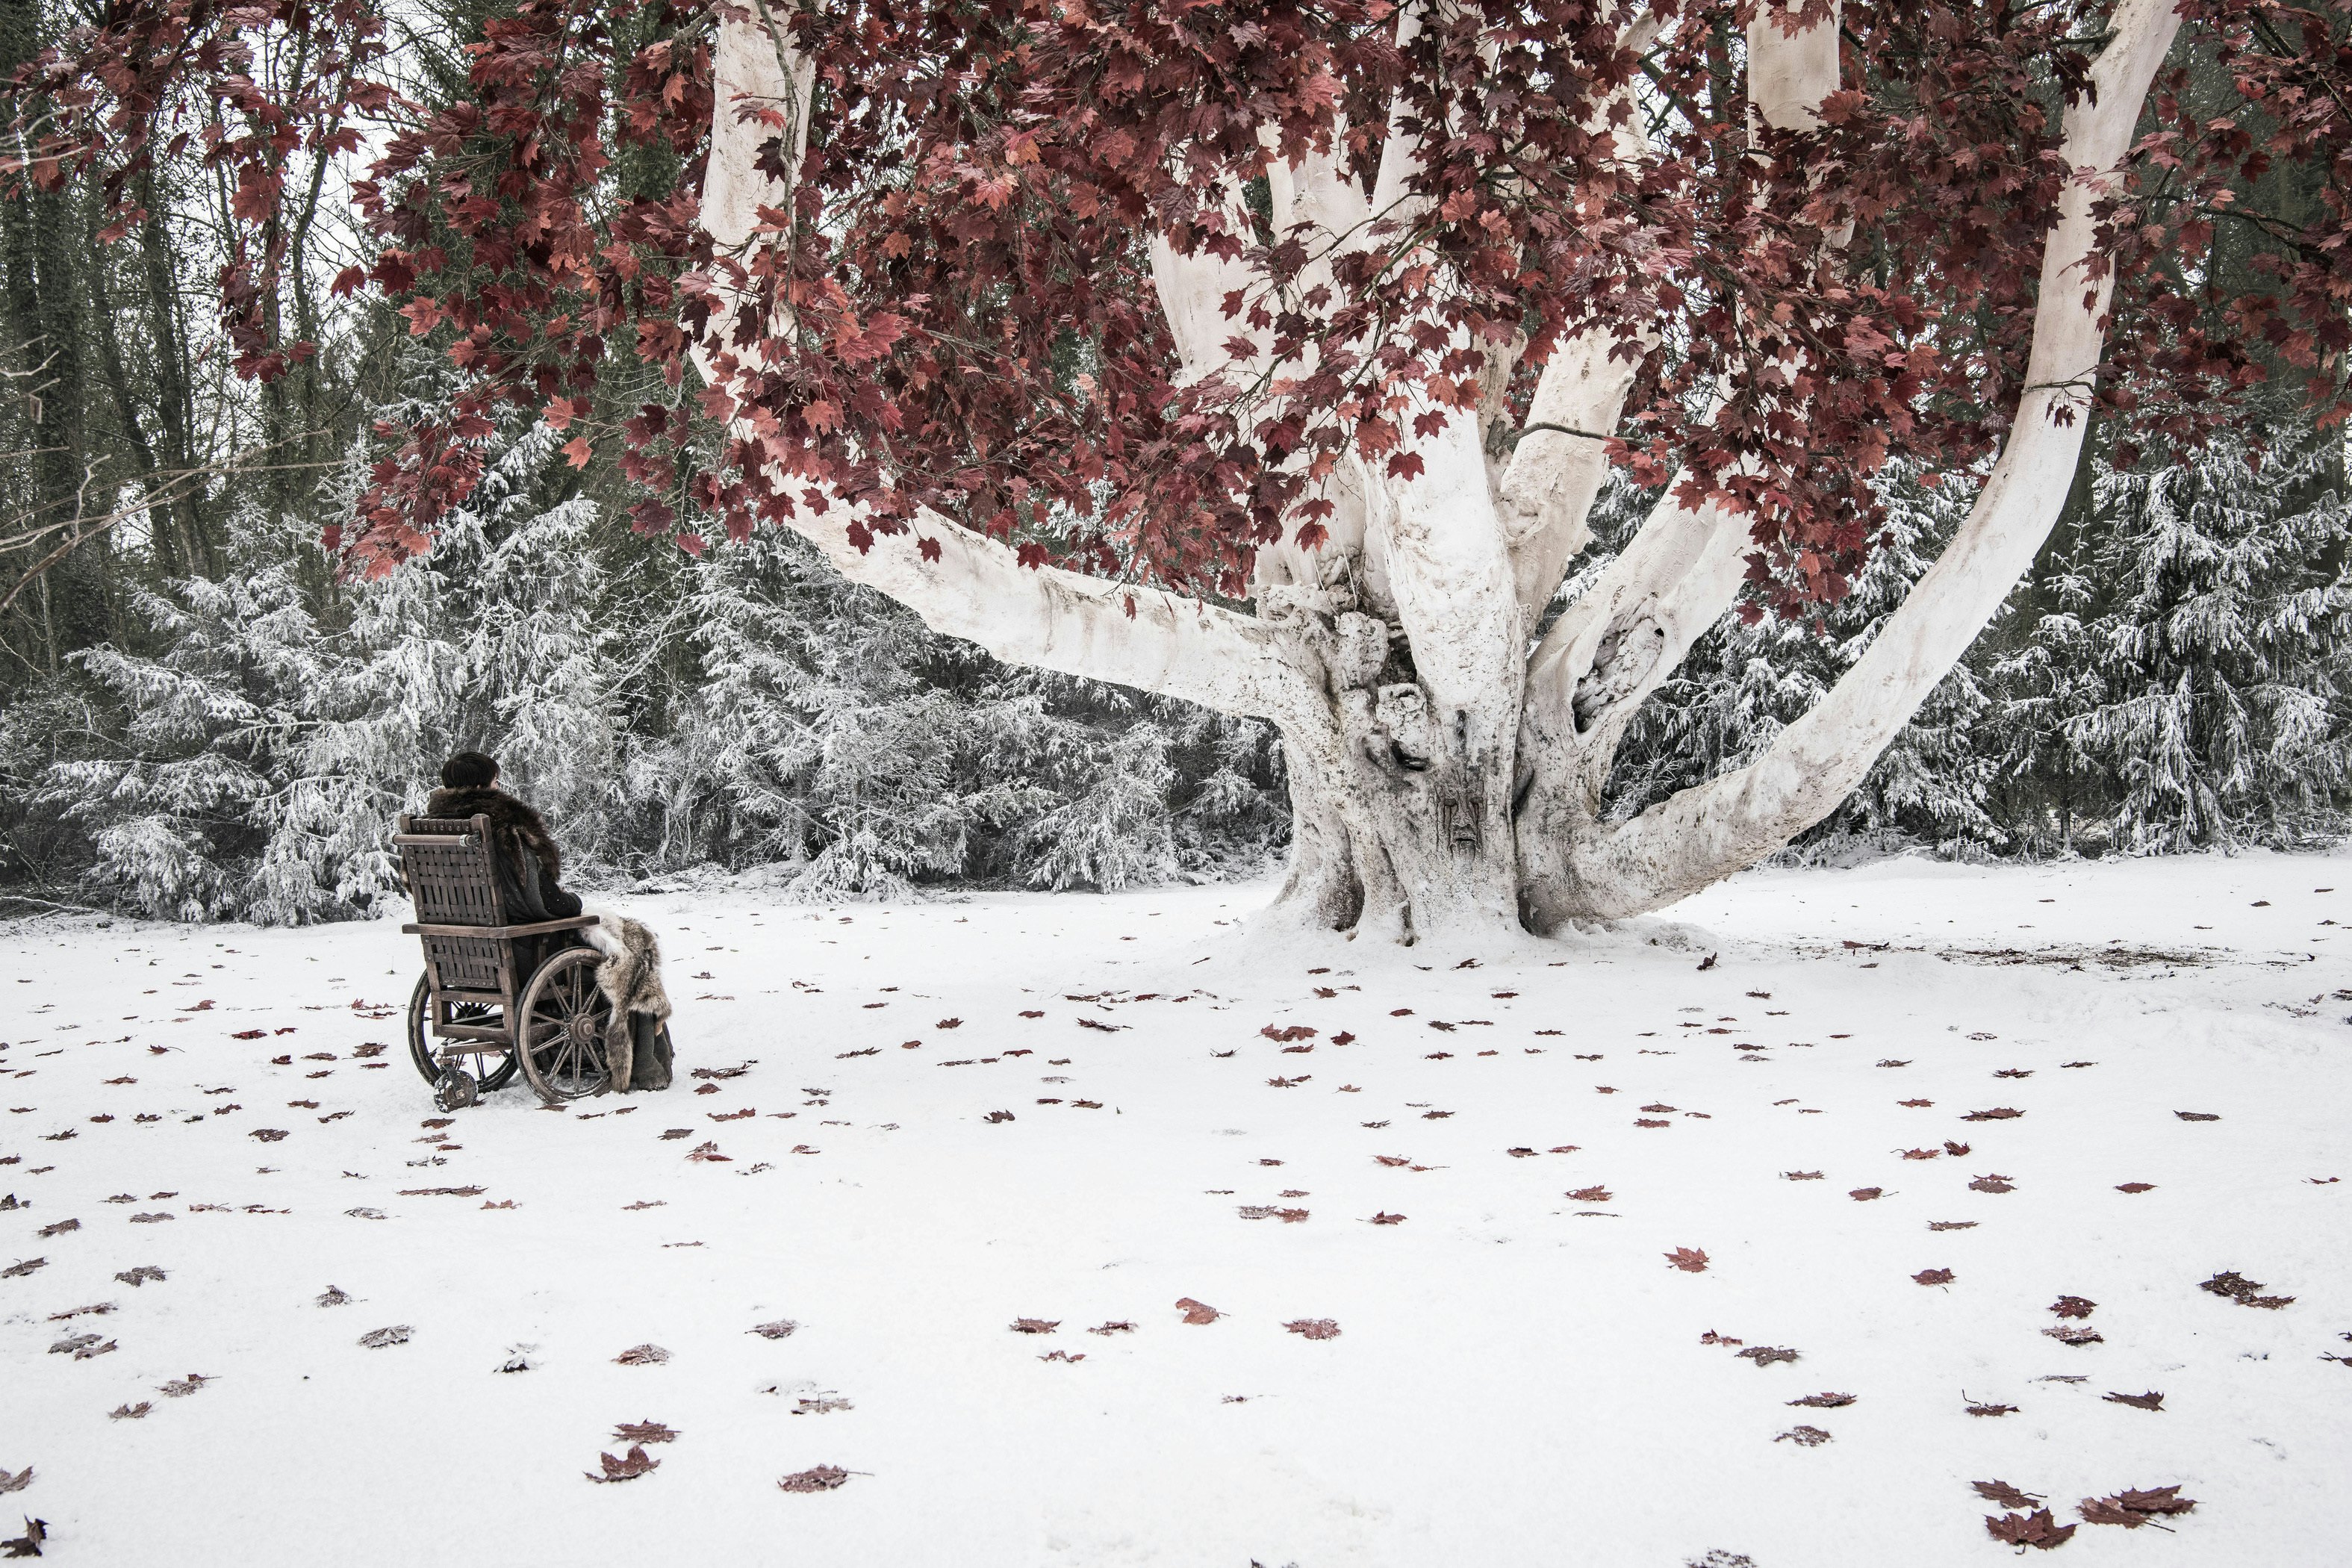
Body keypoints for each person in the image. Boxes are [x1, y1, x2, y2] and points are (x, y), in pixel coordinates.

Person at [421, 752, 673, 1090]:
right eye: (496, 781)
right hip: (524, 949)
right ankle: (643, 1064)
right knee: (630, 943)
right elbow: (540, 902)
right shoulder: (501, 826)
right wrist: (573, 903)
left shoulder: (431, 834)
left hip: (459, 953)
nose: (499, 786)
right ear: (483, 785)